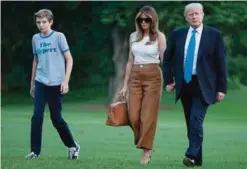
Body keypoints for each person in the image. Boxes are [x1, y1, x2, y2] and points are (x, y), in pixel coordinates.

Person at [162, 3, 227, 167]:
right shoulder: (178, 34)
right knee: (191, 123)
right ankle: (197, 160)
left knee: (195, 119)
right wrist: (169, 80)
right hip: (184, 83)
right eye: (191, 14)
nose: (194, 16)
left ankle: (190, 155)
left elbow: (221, 63)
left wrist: (222, 88)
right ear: (186, 17)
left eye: (197, 13)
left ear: (203, 15)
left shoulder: (214, 35)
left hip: (205, 85)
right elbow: (167, 58)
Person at [25, 9, 80, 159]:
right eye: (38, 22)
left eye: (44, 22)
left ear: (50, 22)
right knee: (37, 117)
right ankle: (35, 152)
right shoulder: (35, 39)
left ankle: (73, 146)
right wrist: (32, 84)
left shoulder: (59, 37)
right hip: (40, 82)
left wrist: (66, 81)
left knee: (56, 119)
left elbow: (69, 59)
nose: (41, 25)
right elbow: (36, 60)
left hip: (56, 84)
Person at [119, 5, 166, 164]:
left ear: (153, 20)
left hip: (153, 76)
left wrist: (171, 80)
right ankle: (144, 140)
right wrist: (124, 85)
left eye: (147, 19)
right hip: (135, 76)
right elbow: (129, 61)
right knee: (133, 116)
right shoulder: (133, 36)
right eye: (141, 19)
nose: (143, 22)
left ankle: (147, 151)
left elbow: (164, 60)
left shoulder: (159, 36)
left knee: (148, 116)